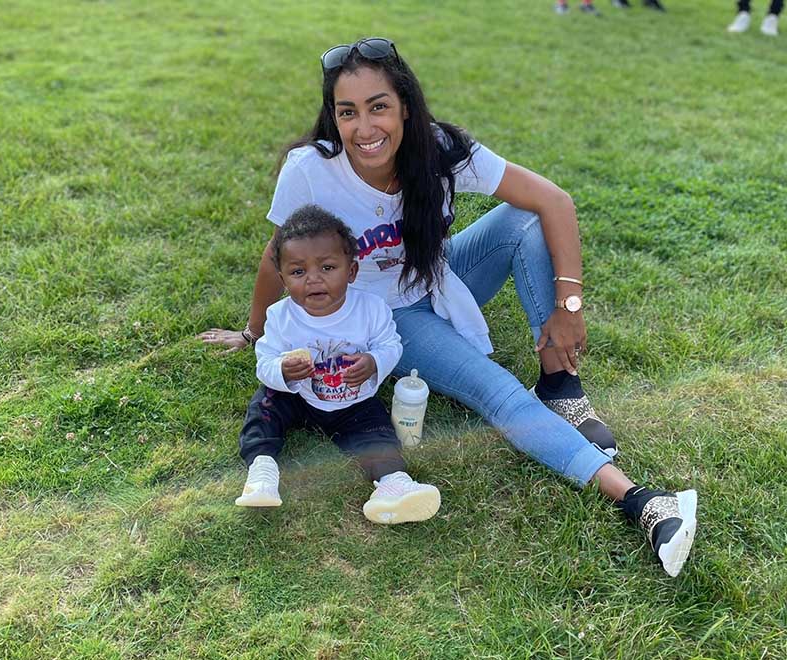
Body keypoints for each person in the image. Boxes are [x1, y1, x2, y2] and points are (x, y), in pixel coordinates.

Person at [200, 37, 697, 576]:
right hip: (391, 316)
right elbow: (277, 257)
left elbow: (554, 200)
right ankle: (643, 501)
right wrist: (253, 334)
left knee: (522, 220)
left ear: (405, 107)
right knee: (497, 392)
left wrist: (568, 305)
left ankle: (559, 384)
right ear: (334, 118)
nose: (365, 129)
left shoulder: (438, 150)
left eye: (378, 107)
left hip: (438, 277)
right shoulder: (310, 171)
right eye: (348, 113)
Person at [234, 204, 441, 525]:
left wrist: (373, 362)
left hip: (352, 400)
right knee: (264, 406)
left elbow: (391, 345)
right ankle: (262, 469)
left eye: (328, 268)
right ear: (283, 278)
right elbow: (265, 361)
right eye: (298, 271)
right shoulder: (280, 317)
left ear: (352, 271)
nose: (313, 279)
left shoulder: (371, 310)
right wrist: (283, 373)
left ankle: (393, 483)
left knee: (375, 429)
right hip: (299, 396)